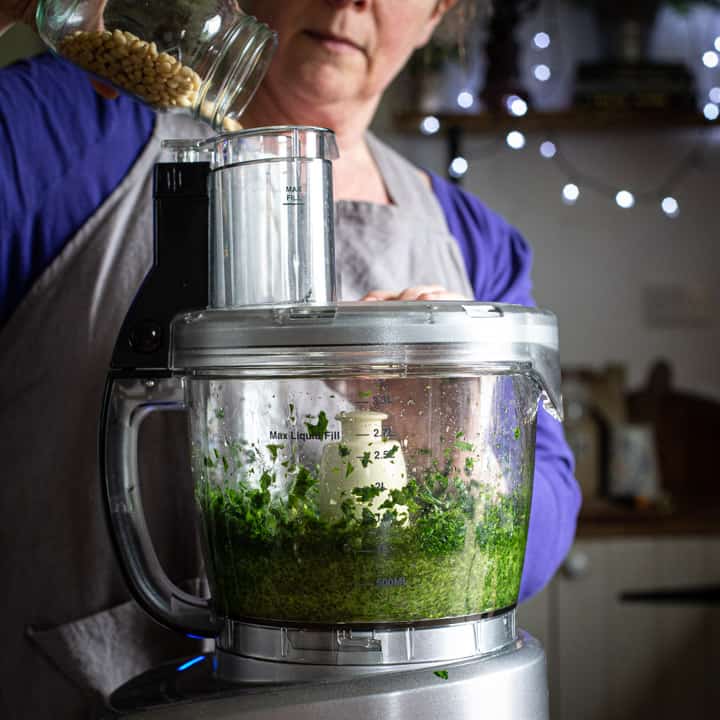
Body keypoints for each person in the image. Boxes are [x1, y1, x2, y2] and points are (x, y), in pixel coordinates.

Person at [0, 0, 580, 717]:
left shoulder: (474, 240)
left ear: (437, 14)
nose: (348, 1)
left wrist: (456, 441)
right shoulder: (76, 123)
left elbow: (548, 501)